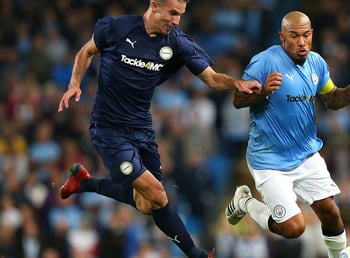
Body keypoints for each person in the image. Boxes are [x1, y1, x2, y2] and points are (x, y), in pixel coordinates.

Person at [57, 0, 262, 258]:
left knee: (146, 204)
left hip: (142, 129)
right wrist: (74, 83)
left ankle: (84, 182)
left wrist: (236, 83)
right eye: (173, 13)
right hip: (108, 129)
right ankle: (196, 254)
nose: (177, 21)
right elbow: (85, 52)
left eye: (181, 15)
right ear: (154, 6)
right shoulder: (115, 27)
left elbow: (210, 77)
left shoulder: (176, 42)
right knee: (157, 195)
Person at [225, 11, 350, 258]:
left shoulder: (317, 63)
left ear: (311, 35)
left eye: (305, 35)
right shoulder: (264, 62)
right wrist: (262, 92)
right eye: (294, 36)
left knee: (332, 214)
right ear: (282, 37)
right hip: (269, 160)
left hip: (305, 154)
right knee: (293, 228)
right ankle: (244, 202)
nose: (301, 42)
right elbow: (238, 100)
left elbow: (332, 100)